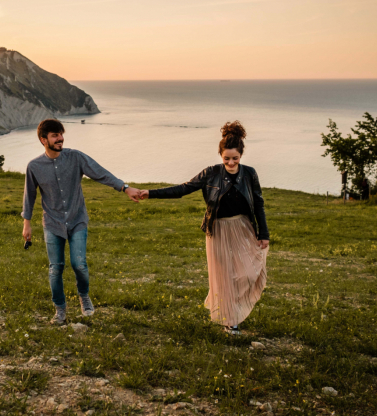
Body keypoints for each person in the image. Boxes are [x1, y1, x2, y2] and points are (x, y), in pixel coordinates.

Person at [139, 121, 269, 335]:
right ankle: (231, 322)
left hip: (243, 228)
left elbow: (259, 203)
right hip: (217, 231)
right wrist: (150, 193)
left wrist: (264, 233)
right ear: (220, 154)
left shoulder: (249, 173)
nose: (230, 162)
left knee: (247, 273)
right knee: (225, 276)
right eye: (226, 158)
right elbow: (183, 189)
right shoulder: (211, 173)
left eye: (235, 158)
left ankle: (233, 311)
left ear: (241, 155)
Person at [22, 119, 141, 325]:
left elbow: (100, 172)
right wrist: (27, 223)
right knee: (55, 267)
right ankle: (60, 310)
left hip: (77, 220)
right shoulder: (34, 166)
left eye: (61, 134)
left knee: (79, 264)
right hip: (52, 222)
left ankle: (84, 297)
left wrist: (125, 187)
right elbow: (29, 195)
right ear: (43, 140)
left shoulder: (75, 157)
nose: (60, 138)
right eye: (54, 135)